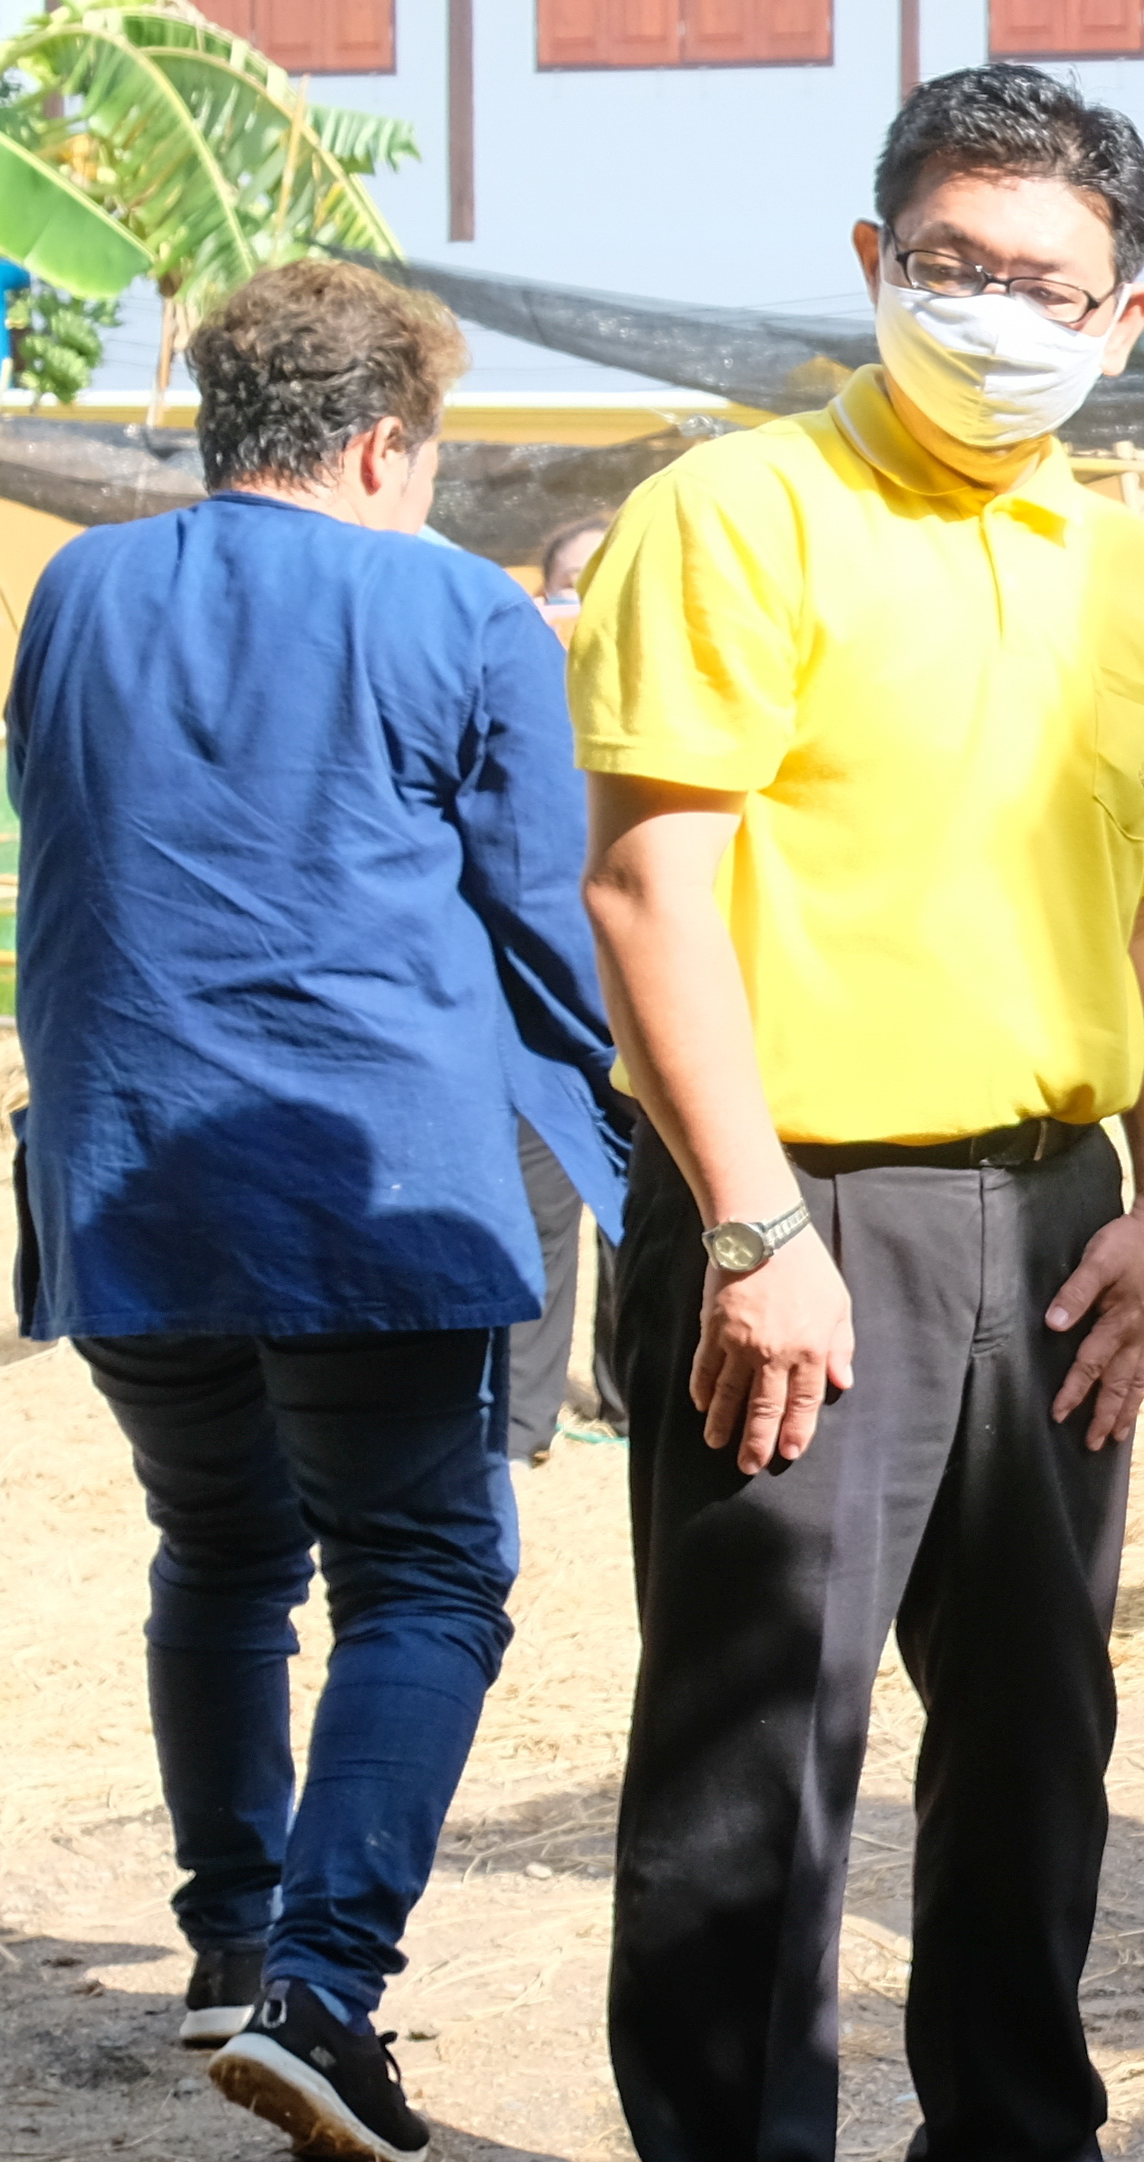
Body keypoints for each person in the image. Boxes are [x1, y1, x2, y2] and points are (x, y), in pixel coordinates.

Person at [571, 65, 1144, 2162]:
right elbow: (651, 884)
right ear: (872, 261)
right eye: (954, 267)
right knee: (764, 1734)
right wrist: (751, 1221)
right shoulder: (737, 513)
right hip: (806, 1200)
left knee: (1040, 1711)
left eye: (1050, 286)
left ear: (1131, 313)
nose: (997, 317)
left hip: (1058, 1200)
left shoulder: (1140, 567)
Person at [7, 258, 625, 2162]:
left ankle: (229, 1941)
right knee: (427, 1575)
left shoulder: (77, 593)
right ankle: (324, 1995)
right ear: (382, 443)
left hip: (122, 1177)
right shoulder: (463, 611)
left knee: (218, 1555)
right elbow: (549, 914)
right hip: (369, 1191)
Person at [508, 513, 626, 1466]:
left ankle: (634, 1397)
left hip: (642, 995)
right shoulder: (515, 693)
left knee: (642, 1211)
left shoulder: (662, 691)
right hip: (544, 1008)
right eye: (567, 584)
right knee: (539, 1208)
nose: (581, 604)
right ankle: (520, 1420)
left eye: (601, 582)